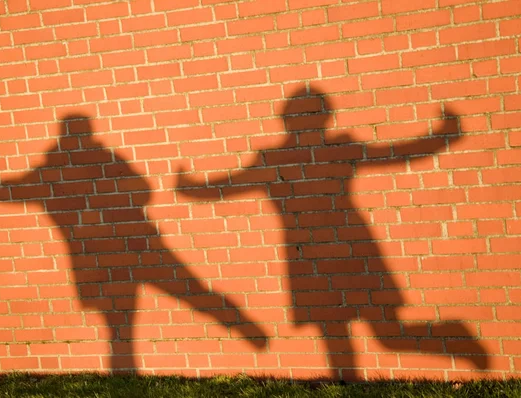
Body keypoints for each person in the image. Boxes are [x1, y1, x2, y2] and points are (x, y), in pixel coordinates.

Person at [176, 85, 489, 380]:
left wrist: (442, 138)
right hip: (306, 253)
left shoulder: (338, 149)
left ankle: (455, 338)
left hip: (350, 245)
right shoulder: (271, 160)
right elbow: (230, 185)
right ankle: (346, 384)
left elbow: (392, 154)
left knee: (385, 335)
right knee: (331, 329)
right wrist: (191, 189)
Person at [0, 114, 266, 373]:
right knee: (131, 324)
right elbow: (3, 192)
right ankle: (130, 378)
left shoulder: (71, 167)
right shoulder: (64, 169)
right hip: (126, 251)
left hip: (121, 252)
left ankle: (234, 321)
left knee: (164, 303)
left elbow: (3, 192)